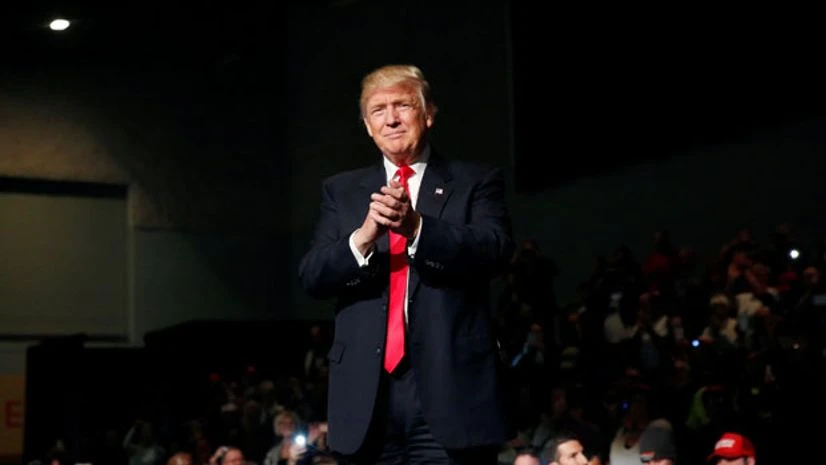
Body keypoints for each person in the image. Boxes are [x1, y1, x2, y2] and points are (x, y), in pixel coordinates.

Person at [299, 64, 514, 465]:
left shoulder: (475, 181)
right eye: (378, 110)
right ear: (367, 126)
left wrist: (417, 228)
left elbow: (494, 250)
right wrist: (362, 238)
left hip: (450, 393)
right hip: (366, 398)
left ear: (428, 114)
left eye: (402, 105)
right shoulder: (340, 191)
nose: (391, 118)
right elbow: (312, 275)